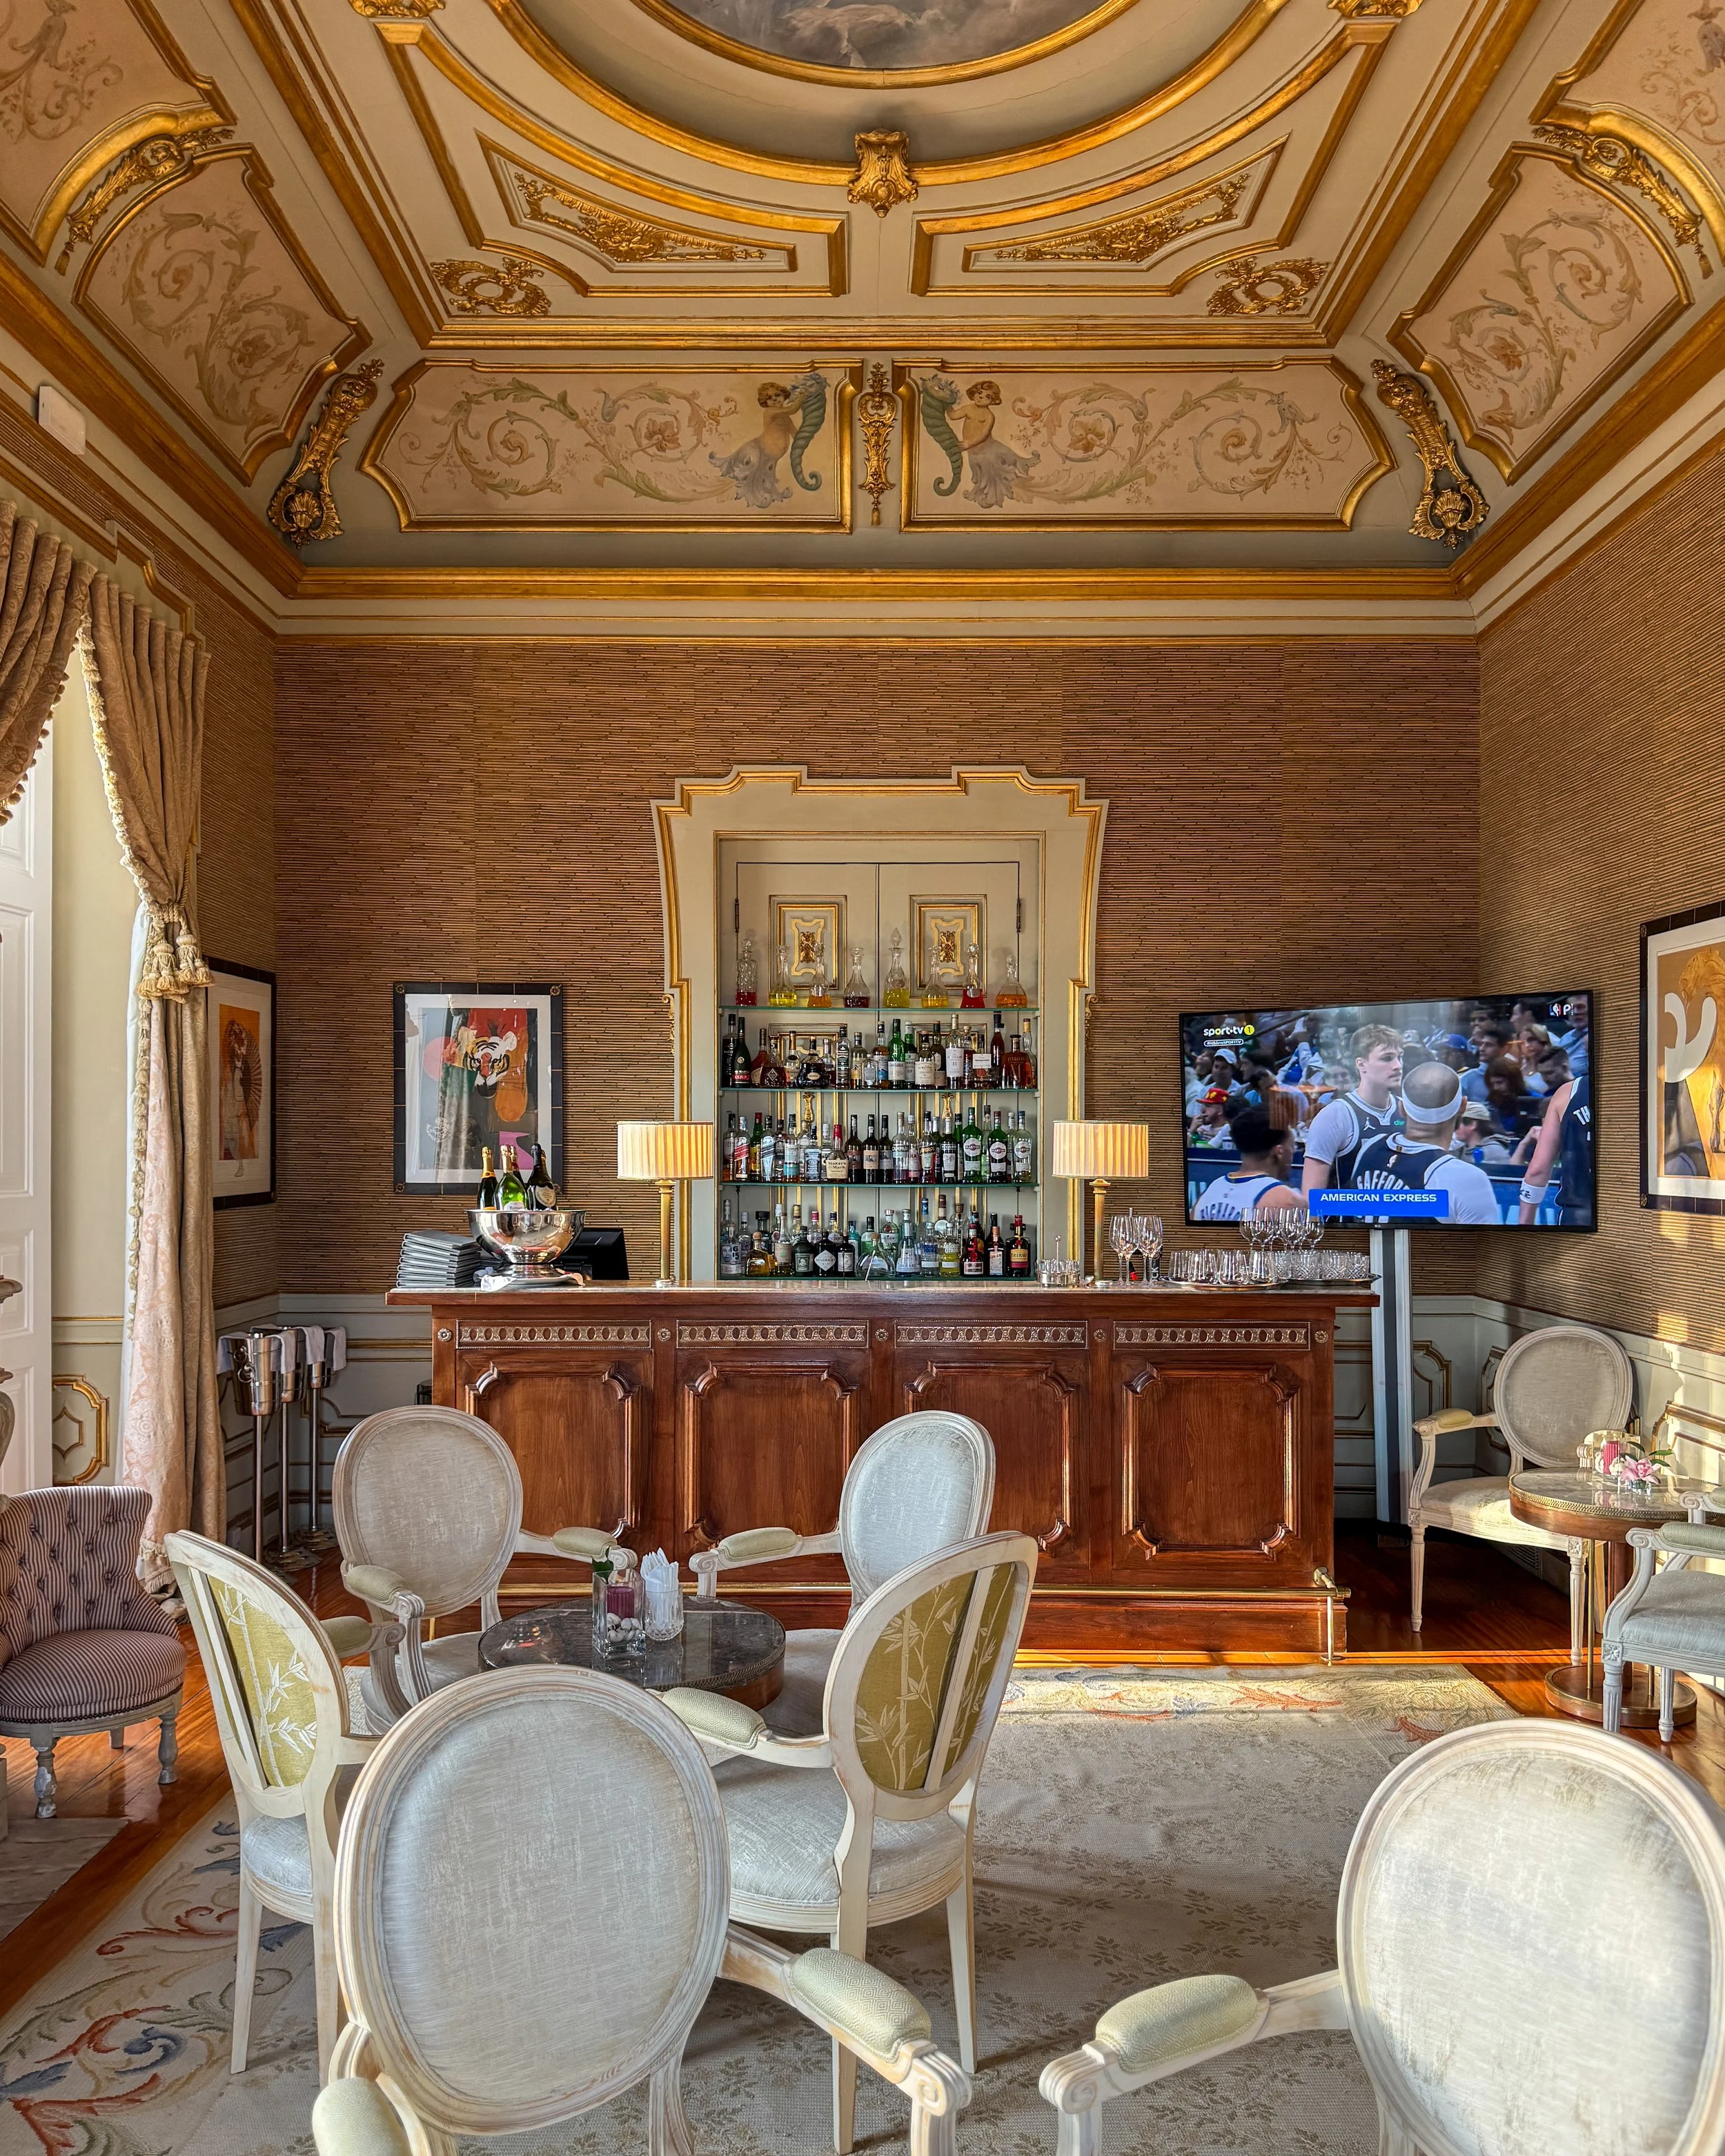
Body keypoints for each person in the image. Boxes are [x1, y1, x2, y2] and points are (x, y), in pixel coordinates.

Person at [1353, 1061, 1501, 1225]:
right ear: (1463, 1106)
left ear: (1402, 1108)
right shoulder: (1468, 1180)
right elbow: (1483, 1241)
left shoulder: (1369, 1148)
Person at [1301, 1023, 1403, 1197]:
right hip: (1351, 1215)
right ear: (1361, 1064)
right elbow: (1312, 1199)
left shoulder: (1408, 1111)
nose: (1398, 1065)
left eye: (1400, 1057)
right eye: (1387, 1058)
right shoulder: (1335, 1116)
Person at [1193, 1107, 1305, 1220]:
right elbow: (1313, 1227)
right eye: (1292, 1147)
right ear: (1280, 1152)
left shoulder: (1210, 1191)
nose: (1293, 1152)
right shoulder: (1286, 1200)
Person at [1517, 1069, 1593, 1227]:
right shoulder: (1643, 1092)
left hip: (1577, 1217)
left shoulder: (1568, 1093)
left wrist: (1525, 1224)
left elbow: (1537, 1170)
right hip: (1628, 1214)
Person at [1460, 1022, 1511, 1104]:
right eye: (1482, 1044)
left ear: (1505, 1049)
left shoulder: (1514, 1075)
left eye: (1489, 1045)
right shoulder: (1467, 1079)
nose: (1482, 1049)